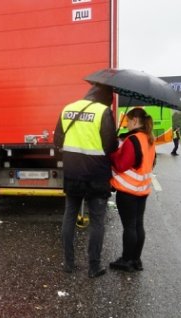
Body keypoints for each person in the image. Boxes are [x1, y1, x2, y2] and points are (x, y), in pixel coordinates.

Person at [54, 84, 118, 278]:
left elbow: (58, 141)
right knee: (97, 221)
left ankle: (68, 263)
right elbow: (110, 146)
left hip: (72, 173)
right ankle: (93, 267)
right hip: (96, 176)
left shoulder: (67, 109)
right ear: (106, 98)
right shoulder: (103, 112)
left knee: (70, 215)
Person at [109, 107, 156, 272]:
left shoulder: (133, 139)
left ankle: (126, 260)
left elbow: (122, 164)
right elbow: (151, 162)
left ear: (135, 120)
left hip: (128, 191)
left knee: (129, 227)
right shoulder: (148, 139)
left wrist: (113, 154)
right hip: (142, 191)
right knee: (138, 225)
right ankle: (136, 260)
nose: (127, 124)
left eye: (128, 121)